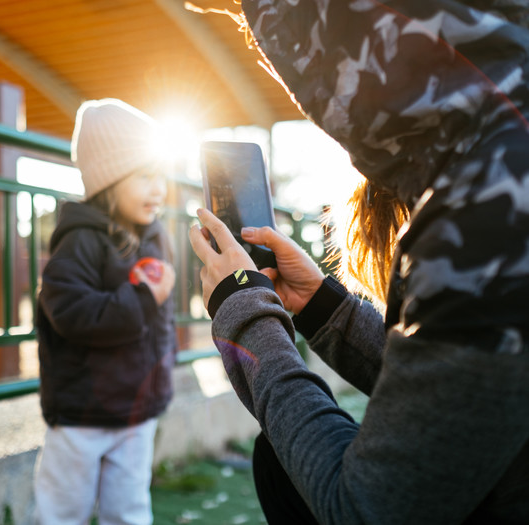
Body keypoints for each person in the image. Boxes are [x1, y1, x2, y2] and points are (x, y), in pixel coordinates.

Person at [189, 1, 529, 523]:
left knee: (281, 466)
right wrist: (328, 309)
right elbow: (460, 399)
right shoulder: (504, 151)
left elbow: (368, 511)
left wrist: (246, 312)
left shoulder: (490, 204)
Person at [34, 98, 177, 525]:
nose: (159, 189)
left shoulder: (156, 237)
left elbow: (162, 323)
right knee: (63, 512)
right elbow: (72, 312)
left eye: (162, 175)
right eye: (145, 176)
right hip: (82, 414)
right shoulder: (79, 241)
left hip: (136, 410)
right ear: (109, 180)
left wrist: (161, 374)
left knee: (129, 511)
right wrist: (142, 298)